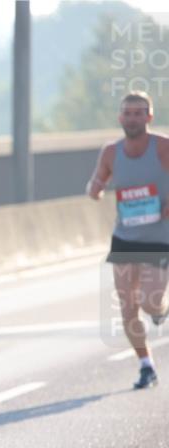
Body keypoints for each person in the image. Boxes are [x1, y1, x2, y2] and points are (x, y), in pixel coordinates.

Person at [87, 90, 169, 390]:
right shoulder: (111, 151)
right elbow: (98, 180)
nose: (132, 119)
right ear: (120, 117)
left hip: (160, 238)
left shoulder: (163, 147)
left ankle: (161, 310)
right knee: (127, 305)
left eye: (138, 113)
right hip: (125, 237)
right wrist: (94, 190)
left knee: (150, 303)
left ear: (149, 116)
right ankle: (146, 364)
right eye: (127, 113)